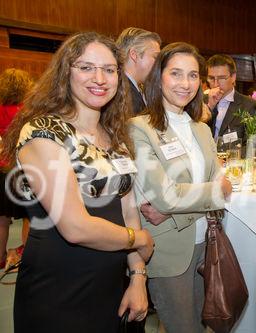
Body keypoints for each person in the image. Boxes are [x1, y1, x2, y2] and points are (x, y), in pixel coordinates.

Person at [1, 32, 154, 332]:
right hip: (59, 287)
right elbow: (75, 227)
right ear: (65, 73)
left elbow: (128, 210)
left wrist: (137, 275)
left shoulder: (115, 136)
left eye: (109, 70)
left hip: (111, 283)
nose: (100, 78)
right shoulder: (43, 131)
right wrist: (141, 240)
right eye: (86, 67)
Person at [129, 42, 232, 333]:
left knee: (203, 325)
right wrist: (217, 193)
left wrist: (175, 209)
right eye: (176, 74)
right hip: (170, 249)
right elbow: (167, 196)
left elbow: (213, 176)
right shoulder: (140, 128)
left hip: (207, 245)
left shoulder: (200, 127)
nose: (185, 84)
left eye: (193, 75)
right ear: (159, 77)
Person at [0, 68, 33, 269]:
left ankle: (1, 258)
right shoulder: (27, 111)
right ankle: (27, 260)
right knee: (29, 217)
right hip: (21, 170)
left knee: (1, 218)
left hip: (0, 169)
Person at [205, 54, 256, 141]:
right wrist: (209, 107)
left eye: (221, 78)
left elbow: (252, 144)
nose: (215, 84)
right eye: (211, 78)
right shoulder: (200, 101)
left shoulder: (249, 105)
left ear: (233, 77)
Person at [116, 27, 161, 114]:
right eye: (155, 57)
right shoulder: (121, 93)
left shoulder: (131, 88)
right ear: (134, 55)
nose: (158, 64)